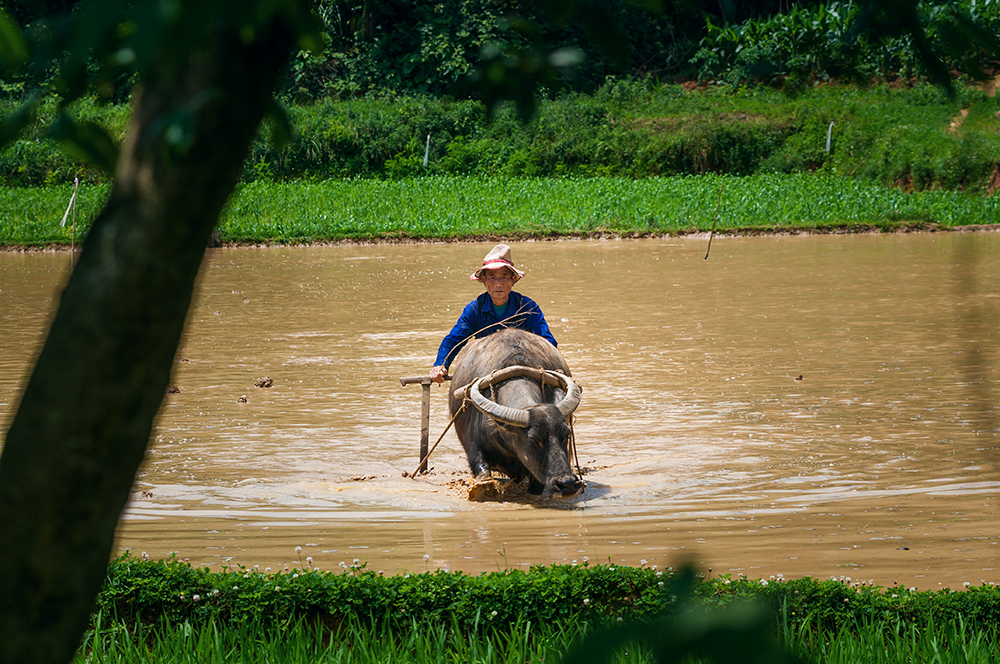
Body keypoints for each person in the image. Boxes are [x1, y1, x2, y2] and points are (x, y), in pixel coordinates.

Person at [430, 244, 556, 383]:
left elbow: (546, 341)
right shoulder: (475, 309)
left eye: (504, 276)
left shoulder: (527, 307)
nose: (498, 284)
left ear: (513, 280)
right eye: (492, 277)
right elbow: (454, 340)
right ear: (483, 281)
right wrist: (441, 364)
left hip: (523, 370)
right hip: (487, 370)